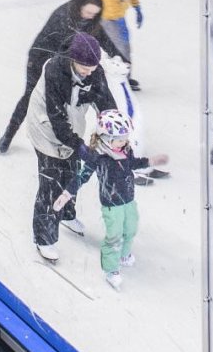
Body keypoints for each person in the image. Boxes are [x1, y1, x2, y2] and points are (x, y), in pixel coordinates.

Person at [53, 110, 167, 290]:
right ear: (106, 138)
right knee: (114, 236)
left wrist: (150, 161)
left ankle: (124, 255)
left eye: (126, 137)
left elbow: (133, 164)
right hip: (111, 205)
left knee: (131, 228)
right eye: (120, 138)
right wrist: (67, 194)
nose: (124, 142)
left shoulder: (125, 151)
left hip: (129, 199)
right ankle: (111, 269)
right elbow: (81, 177)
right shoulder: (97, 157)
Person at [27, 33, 117, 261]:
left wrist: (115, 133)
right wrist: (80, 147)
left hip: (72, 124)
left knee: (71, 173)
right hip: (45, 127)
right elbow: (56, 119)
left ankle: (66, 213)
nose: (89, 71)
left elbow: (106, 103)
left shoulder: (94, 72)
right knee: (51, 183)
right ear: (72, 59)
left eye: (93, 67)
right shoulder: (55, 71)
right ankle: (44, 238)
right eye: (84, 67)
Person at [0, 0, 118, 153]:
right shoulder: (63, 16)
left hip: (63, 63)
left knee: (64, 103)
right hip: (40, 59)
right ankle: (9, 134)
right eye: (88, 12)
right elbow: (63, 50)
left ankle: (62, 139)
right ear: (79, 5)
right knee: (30, 96)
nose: (90, 16)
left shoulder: (92, 22)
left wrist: (116, 55)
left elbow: (102, 37)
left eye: (94, 14)